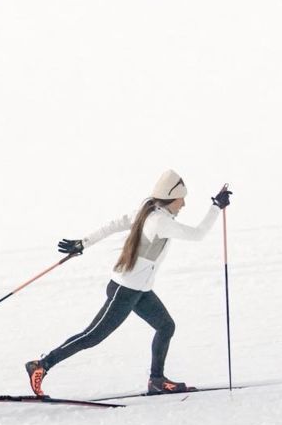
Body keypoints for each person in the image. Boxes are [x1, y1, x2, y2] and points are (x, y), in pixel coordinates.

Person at [25, 170, 232, 396]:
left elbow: (114, 224)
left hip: (140, 291)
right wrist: (215, 208)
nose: (183, 205)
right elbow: (198, 234)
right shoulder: (160, 221)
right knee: (92, 336)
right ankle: (41, 365)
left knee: (166, 326)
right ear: (171, 199)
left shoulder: (149, 211)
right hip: (124, 291)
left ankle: (157, 380)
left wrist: (84, 243)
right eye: (181, 199)